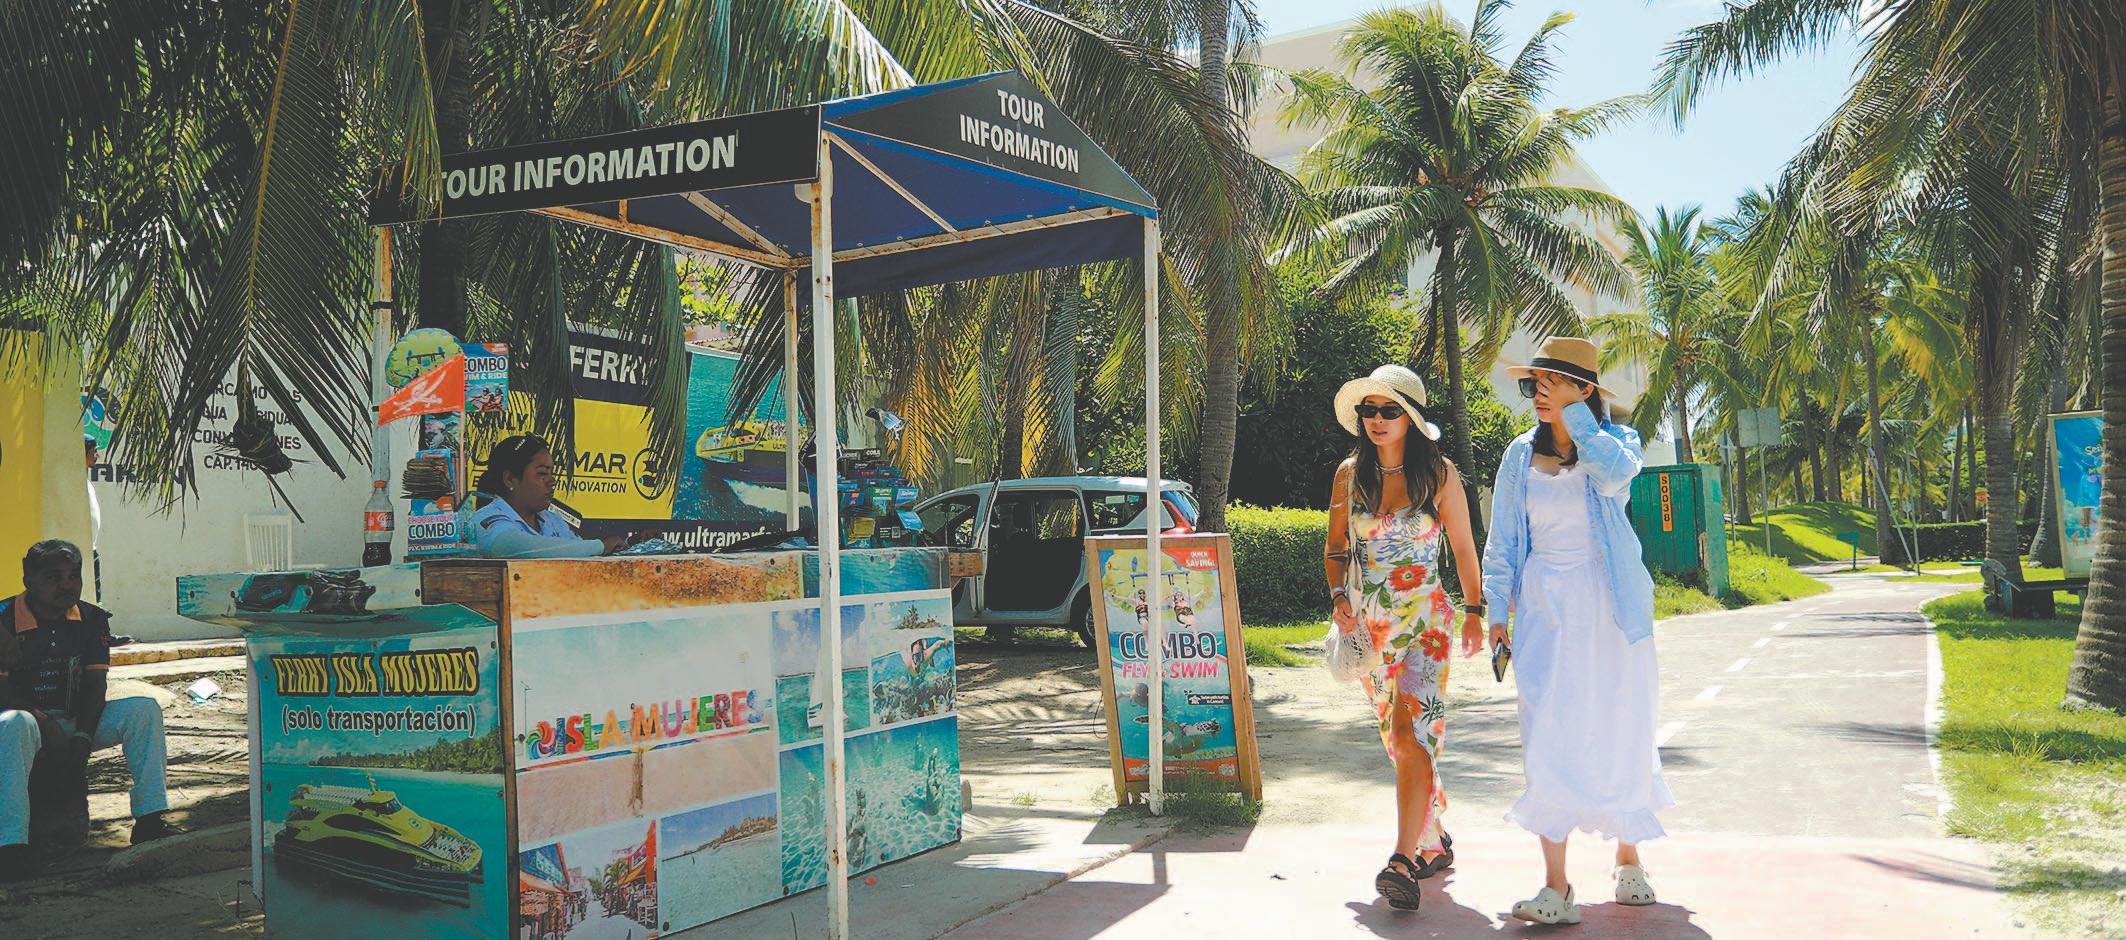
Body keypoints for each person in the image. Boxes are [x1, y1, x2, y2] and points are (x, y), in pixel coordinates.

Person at [1481, 337, 1671, 924]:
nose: (1537, 393)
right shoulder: (1519, 455)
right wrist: (1496, 612)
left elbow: (1615, 478)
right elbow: (1502, 540)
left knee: (1621, 721)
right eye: (1533, 384)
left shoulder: (1617, 442)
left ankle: (1629, 859)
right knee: (1546, 730)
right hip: (1544, 606)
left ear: (1584, 389)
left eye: (1550, 383)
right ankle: (1557, 888)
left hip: (1611, 603)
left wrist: (1578, 420)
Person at [1324, 365, 1490, 912]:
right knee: (1397, 742)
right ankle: (1433, 841)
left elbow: (1463, 546)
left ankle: (1402, 860)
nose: (1376, 419)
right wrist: (1338, 595)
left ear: (1410, 419)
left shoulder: (1438, 474)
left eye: (1389, 410)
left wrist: (1474, 610)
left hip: (1427, 625)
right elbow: (1335, 549)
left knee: (1410, 730)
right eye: (1368, 410)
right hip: (1370, 629)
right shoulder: (1350, 475)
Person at [1, 540, 181, 881]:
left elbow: (95, 684)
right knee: (15, 723)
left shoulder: (91, 618)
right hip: (21, 725)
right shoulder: (4, 619)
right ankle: (11, 846)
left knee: (143, 710)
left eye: (73, 575)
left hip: (74, 719)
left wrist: (83, 735)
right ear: (28, 580)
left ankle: (150, 818)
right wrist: (44, 722)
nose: (66, 584)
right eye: (53, 577)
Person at [471, 435, 659, 558]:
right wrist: (600, 546)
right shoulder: (487, 517)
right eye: (542, 473)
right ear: (510, 479)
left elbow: (580, 552)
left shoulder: (552, 521)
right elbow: (511, 546)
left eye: (552, 473)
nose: (552, 481)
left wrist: (630, 545)